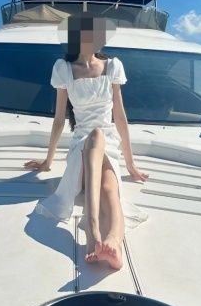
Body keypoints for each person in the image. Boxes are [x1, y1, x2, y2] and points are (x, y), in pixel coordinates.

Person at [24, 15, 149, 270]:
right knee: (94, 136)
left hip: (108, 142)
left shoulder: (113, 66)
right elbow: (59, 119)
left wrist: (130, 164)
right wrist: (48, 161)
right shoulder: (63, 69)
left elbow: (120, 117)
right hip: (81, 140)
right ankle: (92, 231)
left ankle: (113, 242)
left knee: (109, 188)